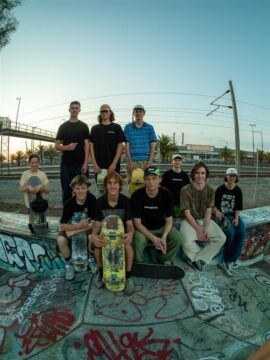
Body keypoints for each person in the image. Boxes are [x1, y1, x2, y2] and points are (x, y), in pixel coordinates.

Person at [91, 171, 135, 295]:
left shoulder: (126, 201)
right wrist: (94, 235)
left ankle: (128, 276)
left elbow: (130, 225)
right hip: (106, 236)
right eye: (109, 183)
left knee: (128, 248)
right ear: (105, 186)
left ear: (119, 185)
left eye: (115, 183)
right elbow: (97, 224)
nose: (112, 186)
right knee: (97, 247)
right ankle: (101, 273)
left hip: (121, 236)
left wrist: (130, 234)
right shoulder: (100, 202)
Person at [179, 162, 226, 271]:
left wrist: (205, 228)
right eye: (197, 173)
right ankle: (200, 259)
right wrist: (198, 231)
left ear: (206, 175)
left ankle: (198, 259)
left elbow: (208, 211)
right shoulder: (185, 190)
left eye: (203, 173)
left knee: (221, 238)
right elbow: (187, 213)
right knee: (186, 242)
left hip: (204, 220)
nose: (200, 176)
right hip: (189, 221)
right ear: (193, 175)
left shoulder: (210, 190)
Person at [131, 166, 181, 264]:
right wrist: (154, 239)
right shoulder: (136, 195)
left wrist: (164, 236)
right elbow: (137, 223)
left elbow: (169, 220)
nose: (151, 182)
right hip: (143, 229)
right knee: (138, 240)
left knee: (177, 238)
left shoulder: (167, 194)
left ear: (160, 179)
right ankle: (139, 262)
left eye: (154, 178)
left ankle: (164, 258)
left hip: (161, 227)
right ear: (144, 180)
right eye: (148, 179)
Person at [56, 175, 96, 281]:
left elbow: (92, 224)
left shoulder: (91, 199)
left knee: (93, 236)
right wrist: (78, 226)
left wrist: (75, 231)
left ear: (87, 188)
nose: (80, 191)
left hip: (85, 229)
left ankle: (91, 258)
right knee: (60, 240)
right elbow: (63, 225)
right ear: (73, 189)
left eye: (83, 188)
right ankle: (69, 263)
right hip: (74, 227)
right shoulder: (69, 203)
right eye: (77, 188)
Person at [55, 101, 90, 204]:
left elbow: (87, 145)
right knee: (66, 190)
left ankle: (82, 214)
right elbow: (56, 146)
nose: (74, 110)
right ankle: (67, 215)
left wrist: (86, 163)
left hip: (80, 164)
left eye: (76, 108)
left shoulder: (84, 126)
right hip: (66, 165)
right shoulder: (63, 127)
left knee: (82, 191)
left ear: (79, 110)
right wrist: (67, 147)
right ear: (69, 110)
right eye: (72, 108)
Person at [214, 167, 246, 275]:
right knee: (231, 233)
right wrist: (217, 212)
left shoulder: (238, 190)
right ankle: (226, 260)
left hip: (233, 215)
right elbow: (213, 205)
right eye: (230, 175)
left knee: (242, 233)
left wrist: (236, 218)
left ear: (236, 177)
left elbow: (238, 207)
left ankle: (232, 259)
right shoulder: (220, 189)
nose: (231, 178)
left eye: (234, 176)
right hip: (223, 216)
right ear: (226, 176)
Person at [89, 104, 125, 176]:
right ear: (100, 113)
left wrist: (114, 164)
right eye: (102, 111)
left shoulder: (117, 127)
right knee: (100, 186)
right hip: (98, 166)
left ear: (110, 113)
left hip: (113, 166)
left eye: (106, 111)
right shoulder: (94, 128)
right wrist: (94, 164)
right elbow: (91, 147)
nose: (104, 113)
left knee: (114, 186)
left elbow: (120, 145)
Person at [19, 153, 49, 233]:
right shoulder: (25, 174)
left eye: (36, 162)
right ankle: (31, 225)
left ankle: (43, 224)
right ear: (29, 163)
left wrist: (41, 186)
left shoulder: (42, 174)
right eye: (32, 162)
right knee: (33, 224)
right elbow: (21, 189)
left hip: (41, 203)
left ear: (39, 163)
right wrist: (27, 187)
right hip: (30, 203)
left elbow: (47, 190)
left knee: (42, 222)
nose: (34, 164)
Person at [124, 105, 157, 175]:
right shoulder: (128, 127)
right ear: (133, 113)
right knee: (133, 184)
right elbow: (126, 146)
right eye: (136, 111)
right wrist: (130, 163)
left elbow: (153, 146)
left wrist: (149, 163)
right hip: (132, 161)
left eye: (140, 111)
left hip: (146, 161)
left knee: (147, 184)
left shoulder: (150, 127)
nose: (138, 113)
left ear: (144, 113)